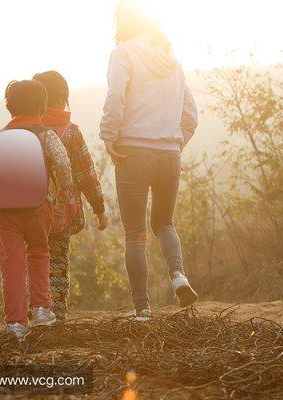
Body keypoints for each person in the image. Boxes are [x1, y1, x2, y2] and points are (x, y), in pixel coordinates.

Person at [99, 0, 199, 321]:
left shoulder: (124, 53)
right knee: (164, 223)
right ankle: (178, 275)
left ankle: (142, 309)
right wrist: (173, 142)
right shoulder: (173, 62)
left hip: (132, 151)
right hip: (169, 154)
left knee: (135, 233)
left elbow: (116, 97)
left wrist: (108, 136)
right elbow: (191, 116)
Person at [0, 80, 73, 340]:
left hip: (5, 213)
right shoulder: (45, 134)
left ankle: (16, 323)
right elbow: (63, 165)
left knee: (11, 266)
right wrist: (62, 192)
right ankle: (42, 309)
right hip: (39, 206)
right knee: (40, 253)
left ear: (10, 107)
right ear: (42, 105)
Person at [33, 71, 108, 322]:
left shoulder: (26, 132)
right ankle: (59, 315)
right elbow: (87, 172)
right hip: (60, 214)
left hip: (28, 211)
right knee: (58, 262)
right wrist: (99, 207)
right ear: (63, 98)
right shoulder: (71, 132)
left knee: (32, 260)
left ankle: (36, 310)